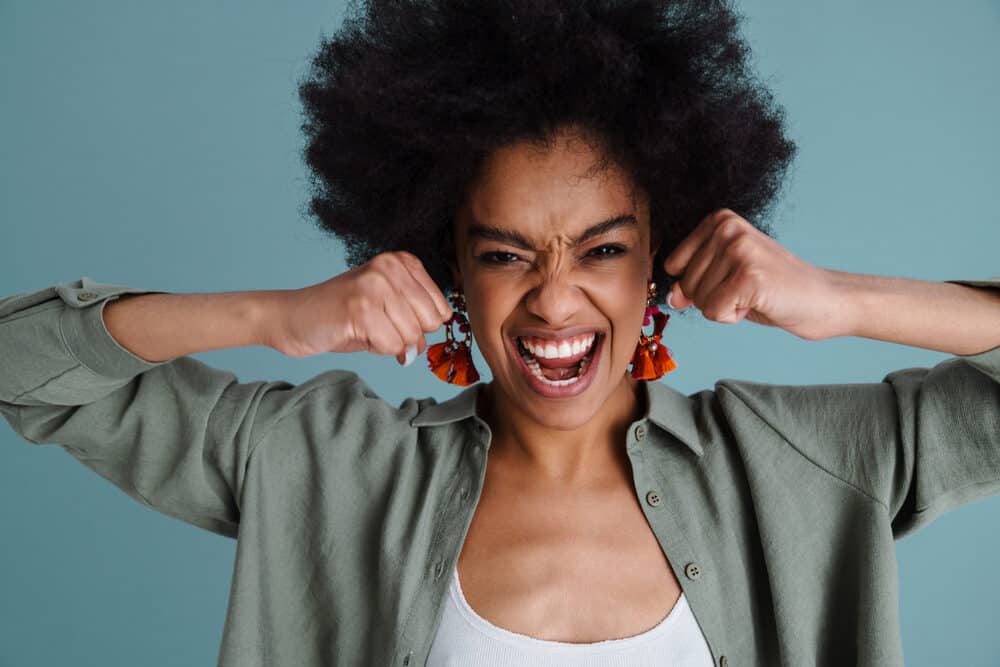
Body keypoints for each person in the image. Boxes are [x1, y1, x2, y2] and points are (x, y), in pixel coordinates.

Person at [2, 1, 999, 665]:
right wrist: (277, 316)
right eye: (506, 254)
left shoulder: (806, 464)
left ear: (661, 252)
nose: (555, 303)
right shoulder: (322, 463)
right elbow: (23, 366)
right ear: (446, 263)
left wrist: (845, 300)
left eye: (602, 251)